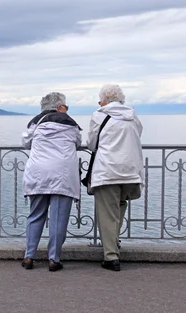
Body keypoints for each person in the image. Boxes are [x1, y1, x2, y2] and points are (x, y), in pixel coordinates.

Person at [21, 92, 82, 272]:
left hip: (38, 173)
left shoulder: (36, 123)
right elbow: (78, 142)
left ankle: (29, 256)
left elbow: (25, 142)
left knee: (35, 215)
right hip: (63, 175)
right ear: (59, 107)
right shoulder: (71, 125)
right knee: (58, 219)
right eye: (66, 106)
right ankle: (53, 259)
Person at [87, 84, 144, 272]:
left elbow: (92, 144)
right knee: (120, 207)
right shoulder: (132, 116)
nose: (99, 102)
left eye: (100, 99)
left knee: (107, 213)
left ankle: (111, 256)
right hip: (130, 170)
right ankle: (114, 244)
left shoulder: (99, 115)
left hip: (108, 170)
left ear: (105, 100)